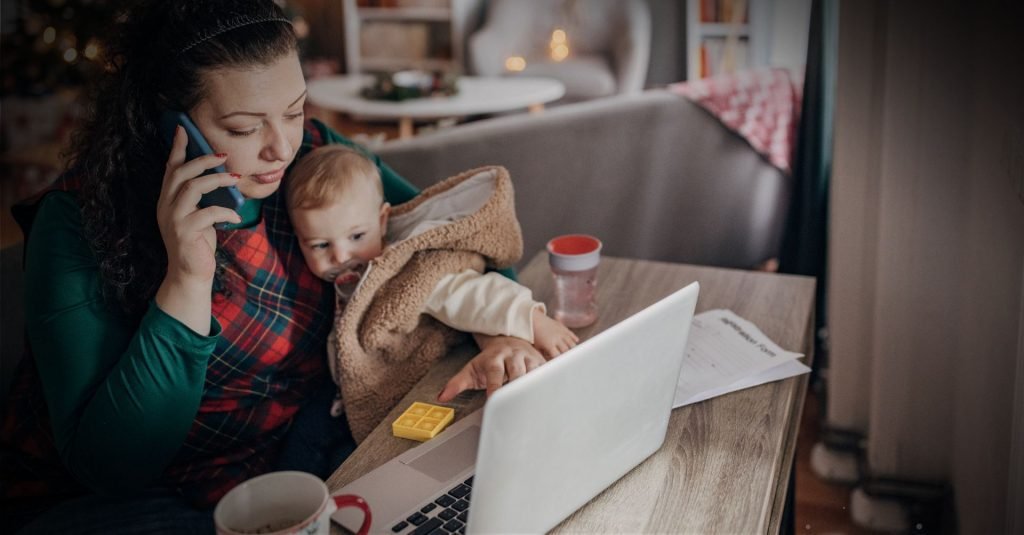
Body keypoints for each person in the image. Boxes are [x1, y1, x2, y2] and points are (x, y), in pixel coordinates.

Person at [0, 1, 551, 532]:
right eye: (244, 128)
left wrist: (496, 332)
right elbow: (115, 469)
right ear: (164, 121)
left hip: (298, 453)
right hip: (140, 498)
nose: (281, 148)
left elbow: (446, 239)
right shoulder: (78, 222)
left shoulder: (314, 160)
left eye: (294, 110)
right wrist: (186, 279)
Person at [285, 146, 577, 436]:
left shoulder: (406, 272)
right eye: (320, 245)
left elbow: (470, 293)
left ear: (382, 220)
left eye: (357, 236)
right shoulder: (337, 278)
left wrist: (533, 319)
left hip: (407, 392)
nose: (341, 256)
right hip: (337, 400)